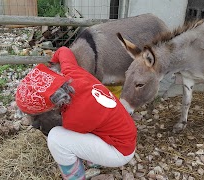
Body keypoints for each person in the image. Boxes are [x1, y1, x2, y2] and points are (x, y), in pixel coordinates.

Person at [15, 47, 137, 180]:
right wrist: (53, 60)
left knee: (56, 138)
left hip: (120, 151)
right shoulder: (71, 72)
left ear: (52, 106)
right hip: (126, 132)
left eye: (37, 114)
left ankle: (75, 177)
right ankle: (94, 159)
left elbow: (67, 130)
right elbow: (63, 50)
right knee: (95, 124)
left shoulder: (73, 119)